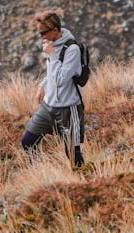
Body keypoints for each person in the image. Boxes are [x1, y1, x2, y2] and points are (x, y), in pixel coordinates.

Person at [21, 11, 86, 168]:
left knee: (72, 153)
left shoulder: (72, 49)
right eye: (39, 32)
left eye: (44, 32)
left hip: (68, 109)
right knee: (28, 142)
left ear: (55, 30)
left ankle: (83, 182)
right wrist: (42, 86)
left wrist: (53, 55)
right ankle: (42, 175)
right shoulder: (50, 46)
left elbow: (61, 79)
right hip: (48, 107)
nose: (41, 36)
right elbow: (52, 74)